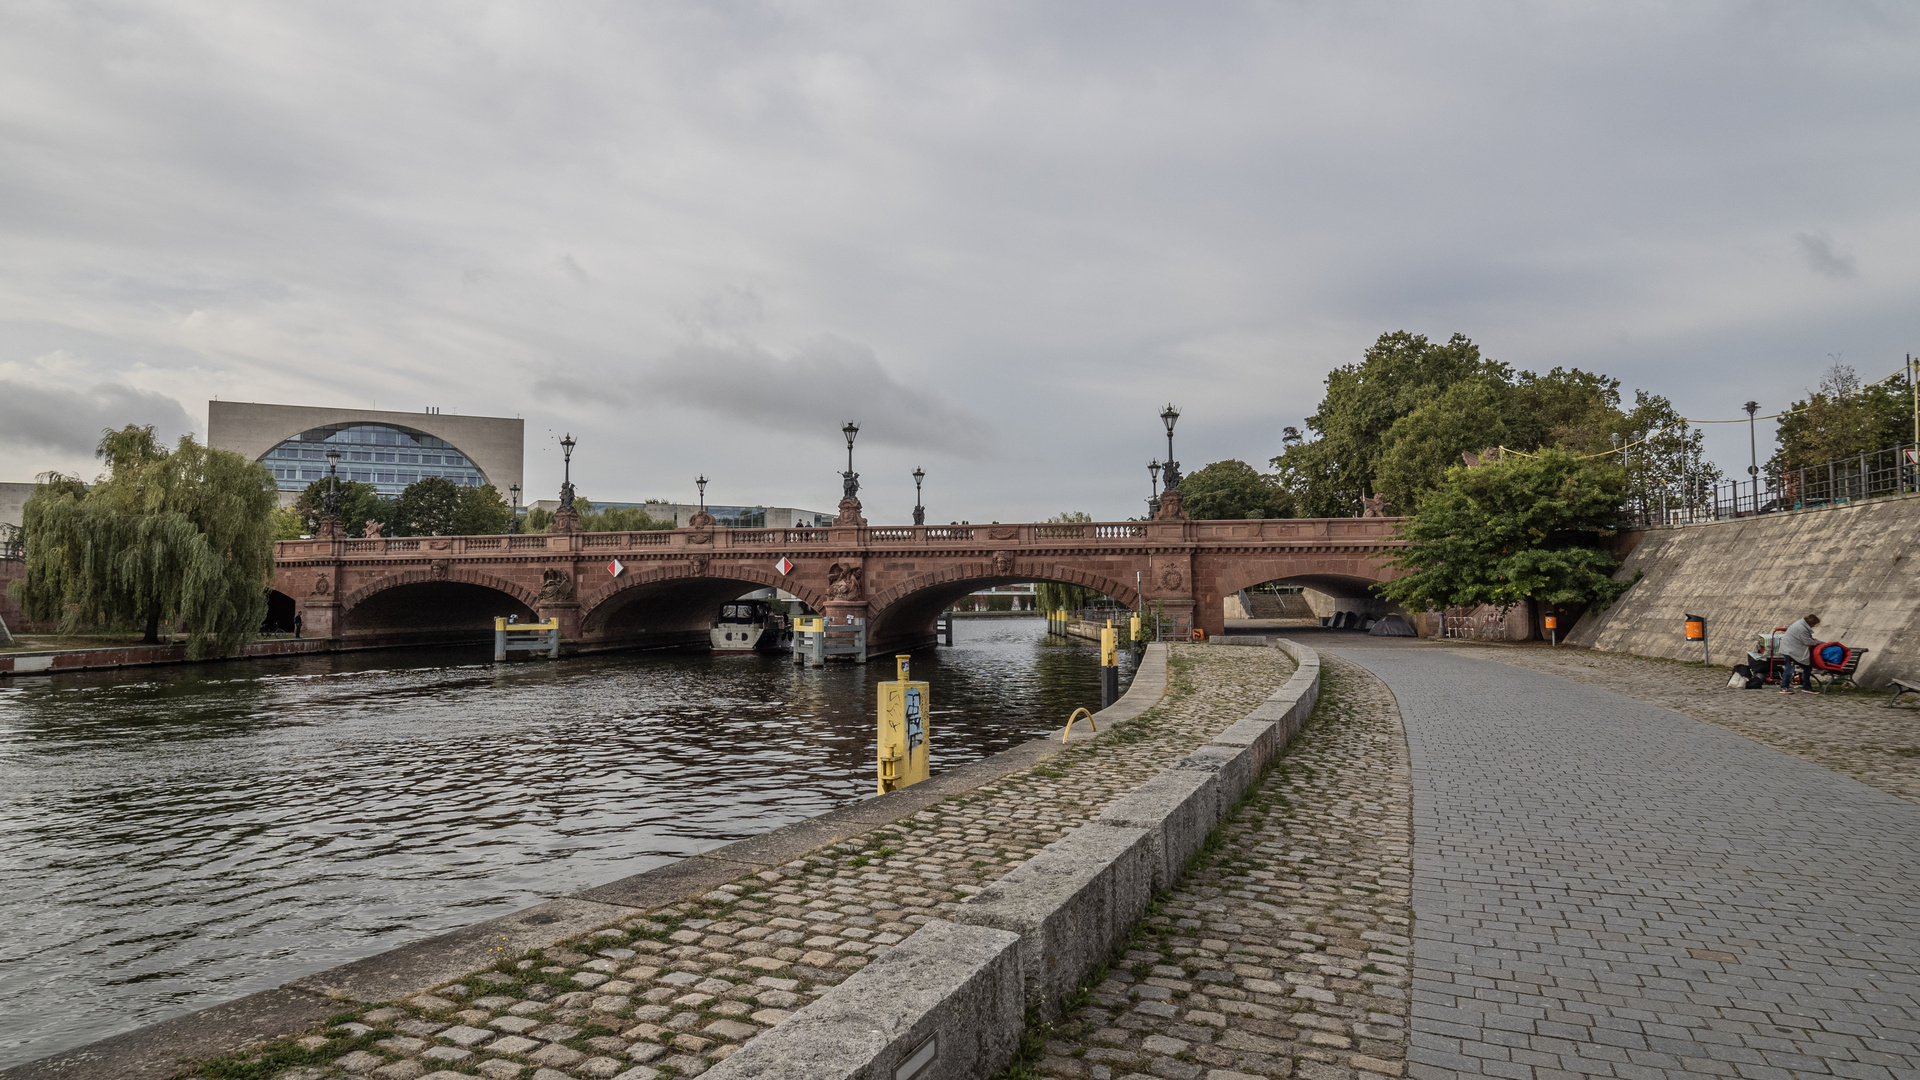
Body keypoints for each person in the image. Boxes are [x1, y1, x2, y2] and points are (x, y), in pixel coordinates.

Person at [1778, 613, 1822, 694]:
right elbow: (1808, 641)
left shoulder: (1800, 624)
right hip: (1791, 652)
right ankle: (1784, 687)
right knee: (1789, 669)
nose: (1814, 627)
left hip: (1788, 649)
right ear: (1812, 623)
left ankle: (1806, 687)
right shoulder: (1802, 629)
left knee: (1807, 667)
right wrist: (1821, 643)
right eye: (1814, 625)